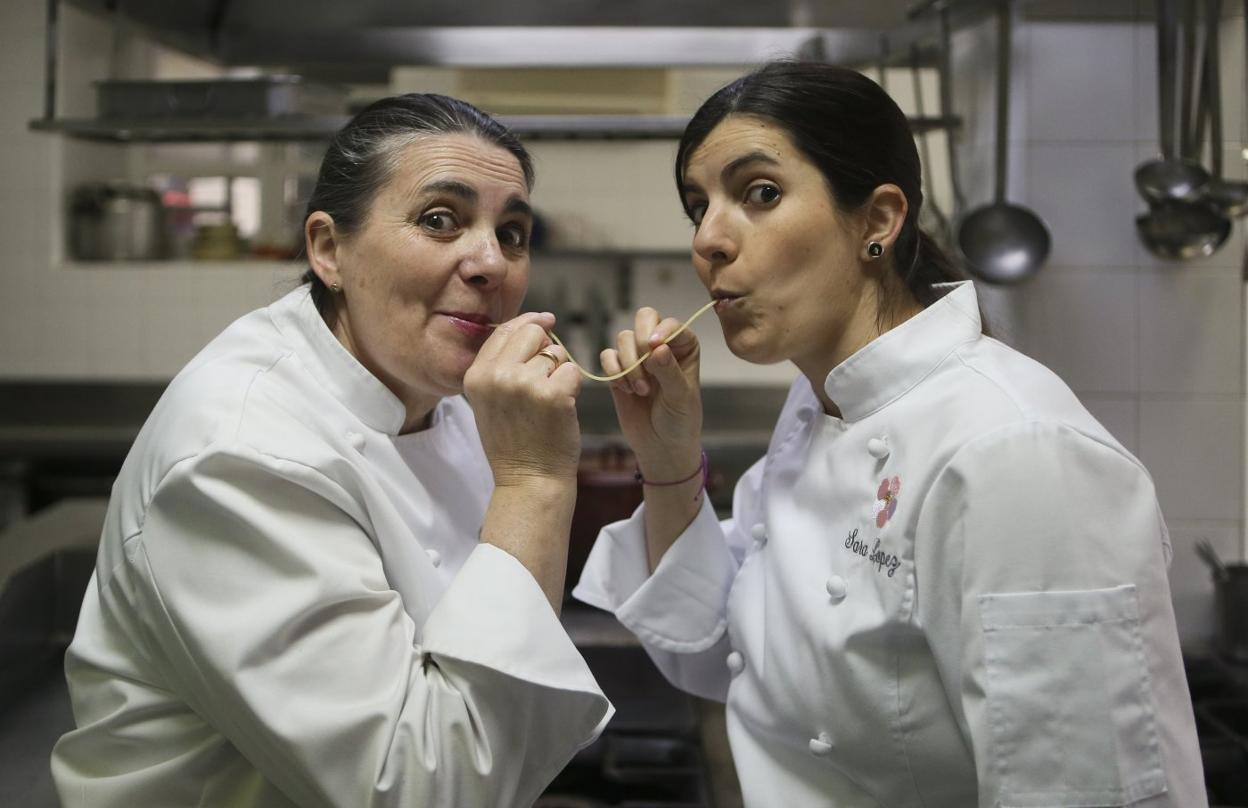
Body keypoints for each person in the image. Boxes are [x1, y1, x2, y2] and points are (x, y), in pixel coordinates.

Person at [573, 61, 1206, 807]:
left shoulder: (1017, 452)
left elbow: (1084, 788)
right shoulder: (818, 411)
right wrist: (669, 459)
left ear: (877, 220)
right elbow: (724, 650)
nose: (708, 239)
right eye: (697, 206)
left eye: (760, 194)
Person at [51, 93, 612, 807]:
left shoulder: (433, 390)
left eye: (512, 233)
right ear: (328, 250)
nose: (490, 262)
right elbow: (419, 789)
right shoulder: (241, 457)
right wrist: (534, 482)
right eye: (440, 219)